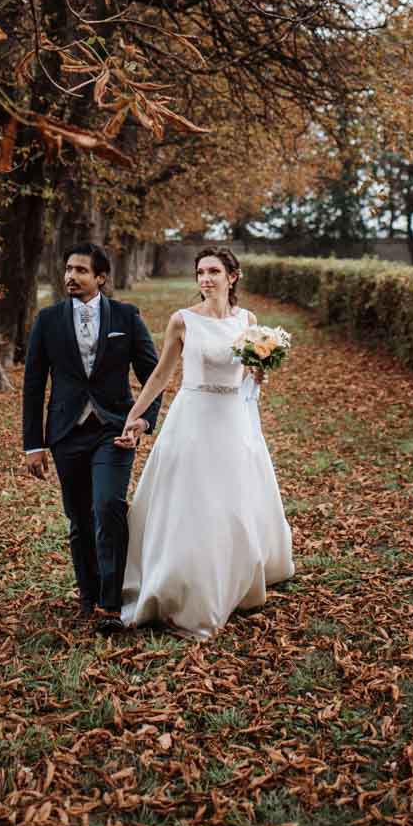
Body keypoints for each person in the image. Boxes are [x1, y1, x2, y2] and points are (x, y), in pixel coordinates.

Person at [115, 247, 294, 640]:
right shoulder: (183, 320)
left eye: (213, 271)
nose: (205, 279)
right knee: (192, 501)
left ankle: (234, 575)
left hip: (233, 419)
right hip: (193, 417)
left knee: (232, 500)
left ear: (232, 276)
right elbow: (161, 374)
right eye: (200, 273)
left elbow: (247, 374)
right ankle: (182, 584)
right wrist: (134, 415)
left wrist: (258, 373)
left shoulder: (248, 321)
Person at [22, 242, 161, 634]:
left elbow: (153, 376)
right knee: (80, 517)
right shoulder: (48, 320)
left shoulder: (126, 316)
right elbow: (34, 384)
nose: (71, 276)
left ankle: (111, 604)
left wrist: (142, 421)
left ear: (101, 277)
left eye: (81, 270)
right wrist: (33, 444)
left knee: (108, 506)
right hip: (66, 433)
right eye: (68, 269)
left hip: (113, 430)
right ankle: (88, 595)